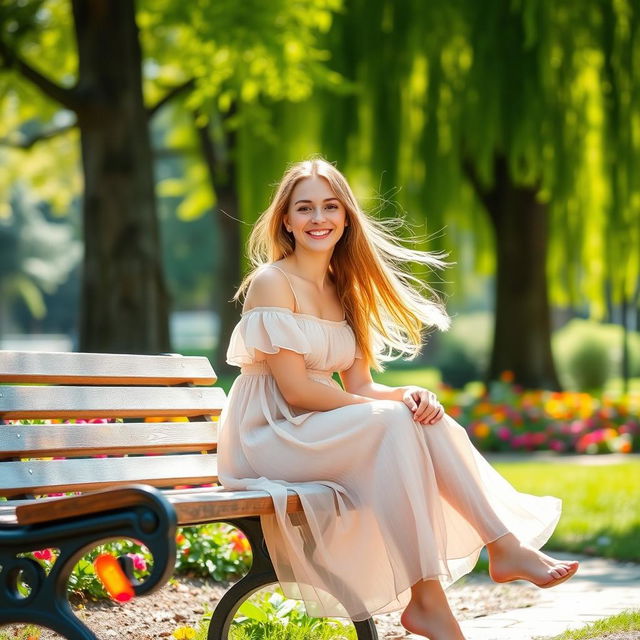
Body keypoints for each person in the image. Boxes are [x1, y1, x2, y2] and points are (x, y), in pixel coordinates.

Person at [217, 157, 578, 640]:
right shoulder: (272, 282)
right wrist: (384, 411)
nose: (318, 218)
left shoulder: (344, 287)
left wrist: (405, 395)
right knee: (392, 422)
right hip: (271, 431)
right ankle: (431, 596)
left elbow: (360, 385)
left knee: (428, 419)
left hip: (316, 424)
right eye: (304, 208)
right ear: (285, 219)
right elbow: (295, 390)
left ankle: (498, 551)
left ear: (346, 217)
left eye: (330, 206)